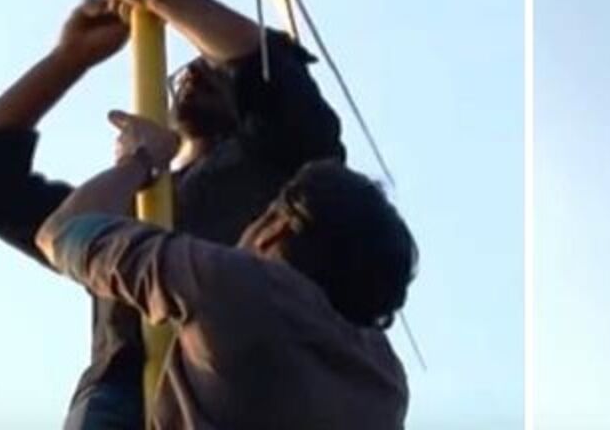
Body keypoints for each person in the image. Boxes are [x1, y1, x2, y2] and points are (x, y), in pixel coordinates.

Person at [0, 0, 347, 429]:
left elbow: (269, 71)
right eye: (190, 68)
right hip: (117, 398)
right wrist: (71, 57)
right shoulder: (116, 210)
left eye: (214, 66)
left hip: (226, 391)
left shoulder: (287, 166)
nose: (195, 71)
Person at [35, 110, 414, 429]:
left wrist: (140, 160)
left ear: (274, 229)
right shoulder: (386, 385)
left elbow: (61, 233)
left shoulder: (236, 285)